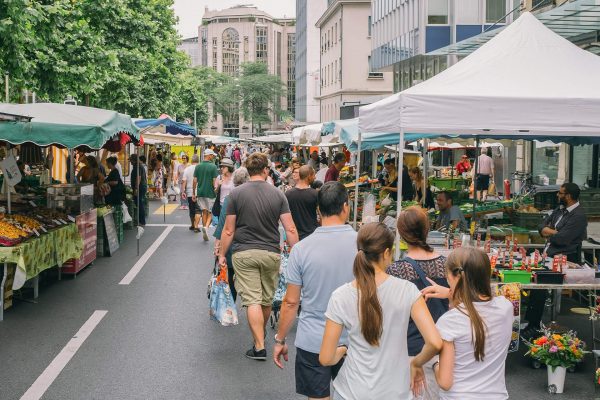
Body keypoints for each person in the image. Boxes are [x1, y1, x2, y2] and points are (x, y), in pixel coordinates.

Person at [320, 223, 442, 399]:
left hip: (351, 391)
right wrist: (416, 363)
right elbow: (435, 343)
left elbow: (325, 358)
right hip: (396, 392)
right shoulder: (407, 290)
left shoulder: (340, 296)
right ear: (386, 253)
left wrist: (344, 349)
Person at [273, 181, 356, 400]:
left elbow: (291, 302)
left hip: (313, 339)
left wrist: (280, 339)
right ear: (346, 206)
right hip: (354, 339)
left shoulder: (301, 249)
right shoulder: (363, 246)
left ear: (318, 210)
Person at [219, 153, 299, 360]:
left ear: (247, 170)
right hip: (271, 253)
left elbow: (228, 230)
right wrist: (298, 254)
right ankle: (259, 339)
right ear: (266, 170)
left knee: (252, 299)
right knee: (265, 299)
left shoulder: (236, 195)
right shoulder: (278, 194)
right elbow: (289, 228)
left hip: (243, 253)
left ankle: (260, 345)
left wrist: (221, 255)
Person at [422, 247, 513, 399]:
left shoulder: (450, 321)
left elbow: (445, 382)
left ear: (457, 277)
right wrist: (452, 293)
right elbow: (481, 303)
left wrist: (433, 363)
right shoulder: (506, 308)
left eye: (448, 279)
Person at [387, 206, 449, 400]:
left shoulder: (397, 270)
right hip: (444, 347)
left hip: (411, 349)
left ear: (402, 234)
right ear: (427, 229)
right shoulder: (447, 265)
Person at [523, 182, 588, 338]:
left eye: (560, 193)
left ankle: (533, 325)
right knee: (534, 282)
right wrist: (552, 230)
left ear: (569, 196)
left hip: (564, 259)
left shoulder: (579, 216)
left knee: (540, 285)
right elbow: (541, 226)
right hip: (549, 256)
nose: (557, 195)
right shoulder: (559, 210)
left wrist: (549, 232)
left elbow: (562, 239)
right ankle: (532, 323)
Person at [214, 167, 251, 303]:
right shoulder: (254, 197)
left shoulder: (231, 198)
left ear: (234, 182)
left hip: (232, 245)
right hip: (250, 244)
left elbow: (223, 224)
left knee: (231, 274)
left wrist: (218, 245)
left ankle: (231, 305)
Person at [285, 166, 318, 241]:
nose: (315, 177)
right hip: (312, 235)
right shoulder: (315, 194)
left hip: (295, 236)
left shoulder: (288, 194)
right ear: (309, 175)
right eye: (313, 175)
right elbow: (322, 216)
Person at [193, 149, 219, 241]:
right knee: (212, 212)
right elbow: (214, 182)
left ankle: (205, 228)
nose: (213, 157)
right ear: (209, 156)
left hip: (200, 192)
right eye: (212, 155)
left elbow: (195, 180)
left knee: (204, 211)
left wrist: (193, 193)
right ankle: (206, 228)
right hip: (210, 193)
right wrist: (216, 190)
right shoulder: (213, 167)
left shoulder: (198, 166)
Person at [181, 154, 200, 232]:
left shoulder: (187, 169)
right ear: (198, 161)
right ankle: (196, 226)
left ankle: (192, 224)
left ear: (191, 161)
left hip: (189, 192)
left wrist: (183, 191)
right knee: (198, 210)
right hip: (198, 192)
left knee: (191, 210)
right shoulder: (200, 168)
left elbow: (184, 181)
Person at [129, 154, 147, 227]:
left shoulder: (138, 166)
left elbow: (138, 178)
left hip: (140, 187)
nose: (130, 161)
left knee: (139, 204)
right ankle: (141, 220)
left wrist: (136, 189)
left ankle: (142, 221)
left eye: (130, 160)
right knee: (139, 203)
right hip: (141, 187)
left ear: (133, 160)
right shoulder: (137, 166)